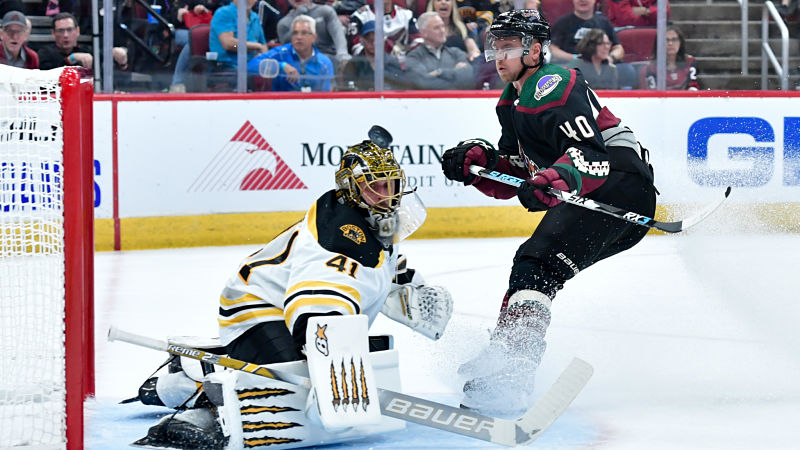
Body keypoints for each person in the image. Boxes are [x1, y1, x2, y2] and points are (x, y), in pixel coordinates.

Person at [127, 138, 452, 449]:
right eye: (375, 186)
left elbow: (386, 263)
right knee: (287, 386)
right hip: (256, 307)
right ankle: (196, 396)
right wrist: (329, 373)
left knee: (349, 359)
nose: (387, 195)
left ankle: (188, 376)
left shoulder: (372, 220)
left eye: (391, 184)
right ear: (352, 189)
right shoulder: (337, 239)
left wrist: (413, 288)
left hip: (288, 308)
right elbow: (314, 304)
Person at [441, 9, 656, 414]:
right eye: (495, 46)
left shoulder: (553, 83)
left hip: (620, 189)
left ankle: (514, 371)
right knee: (532, 267)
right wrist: (479, 164)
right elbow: (525, 171)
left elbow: (592, 159)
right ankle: (505, 352)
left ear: (535, 50)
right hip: (598, 191)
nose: (498, 55)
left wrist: (557, 180)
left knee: (536, 263)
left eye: (508, 47)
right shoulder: (512, 99)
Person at [549, 0, 636, 88]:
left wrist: (609, 58)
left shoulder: (604, 22)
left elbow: (618, 48)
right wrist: (575, 58)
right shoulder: (563, 22)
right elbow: (553, 49)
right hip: (573, 67)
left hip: (602, 66)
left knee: (626, 70)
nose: (582, 0)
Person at [248, 15, 335, 91]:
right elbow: (249, 67)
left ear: (314, 37)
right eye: (295, 33)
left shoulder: (324, 63)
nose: (299, 37)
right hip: (280, 105)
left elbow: (325, 94)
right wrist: (281, 66)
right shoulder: (280, 54)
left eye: (304, 33)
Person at [404, 11, 474, 89]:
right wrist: (455, 74)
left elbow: (469, 77)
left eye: (443, 26)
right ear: (424, 33)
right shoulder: (414, 57)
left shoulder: (456, 53)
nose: (442, 31)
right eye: (437, 28)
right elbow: (422, 84)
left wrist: (439, 72)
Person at [38, 12, 128, 72]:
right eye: (61, 30)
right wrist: (71, 59)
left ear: (77, 31)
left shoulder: (88, 50)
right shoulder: (45, 53)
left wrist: (121, 61)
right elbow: (48, 75)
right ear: (53, 33)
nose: (66, 35)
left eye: (69, 30)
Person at [277, 0, 351, 67]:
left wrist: (343, 55)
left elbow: (338, 36)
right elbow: (286, 48)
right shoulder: (283, 24)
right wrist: (298, 16)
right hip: (300, 65)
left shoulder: (326, 11)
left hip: (329, 60)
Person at [342, 20, 406, 90]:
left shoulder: (392, 63)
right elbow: (347, 90)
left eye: (377, 39)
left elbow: (400, 89)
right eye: (369, 39)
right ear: (362, 40)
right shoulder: (353, 64)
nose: (374, 43)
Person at [208, 0, 267, 71]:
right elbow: (229, 45)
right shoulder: (224, 13)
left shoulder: (255, 17)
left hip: (252, 65)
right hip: (227, 67)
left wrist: (263, 58)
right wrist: (256, 46)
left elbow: (263, 46)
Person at [641, 25, 699, 91]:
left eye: (674, 40)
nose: (670, 43)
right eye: (666, 40)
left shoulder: (689, 61)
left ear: (680, 42)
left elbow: (693, 87)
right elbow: (652, 94)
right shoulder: (650, 68)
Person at [605, 0, 670, 28]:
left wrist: (645, 10)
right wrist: (651, 15)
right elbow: (625, 18)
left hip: (653, 29)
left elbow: (664, 13)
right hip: (623, 30)